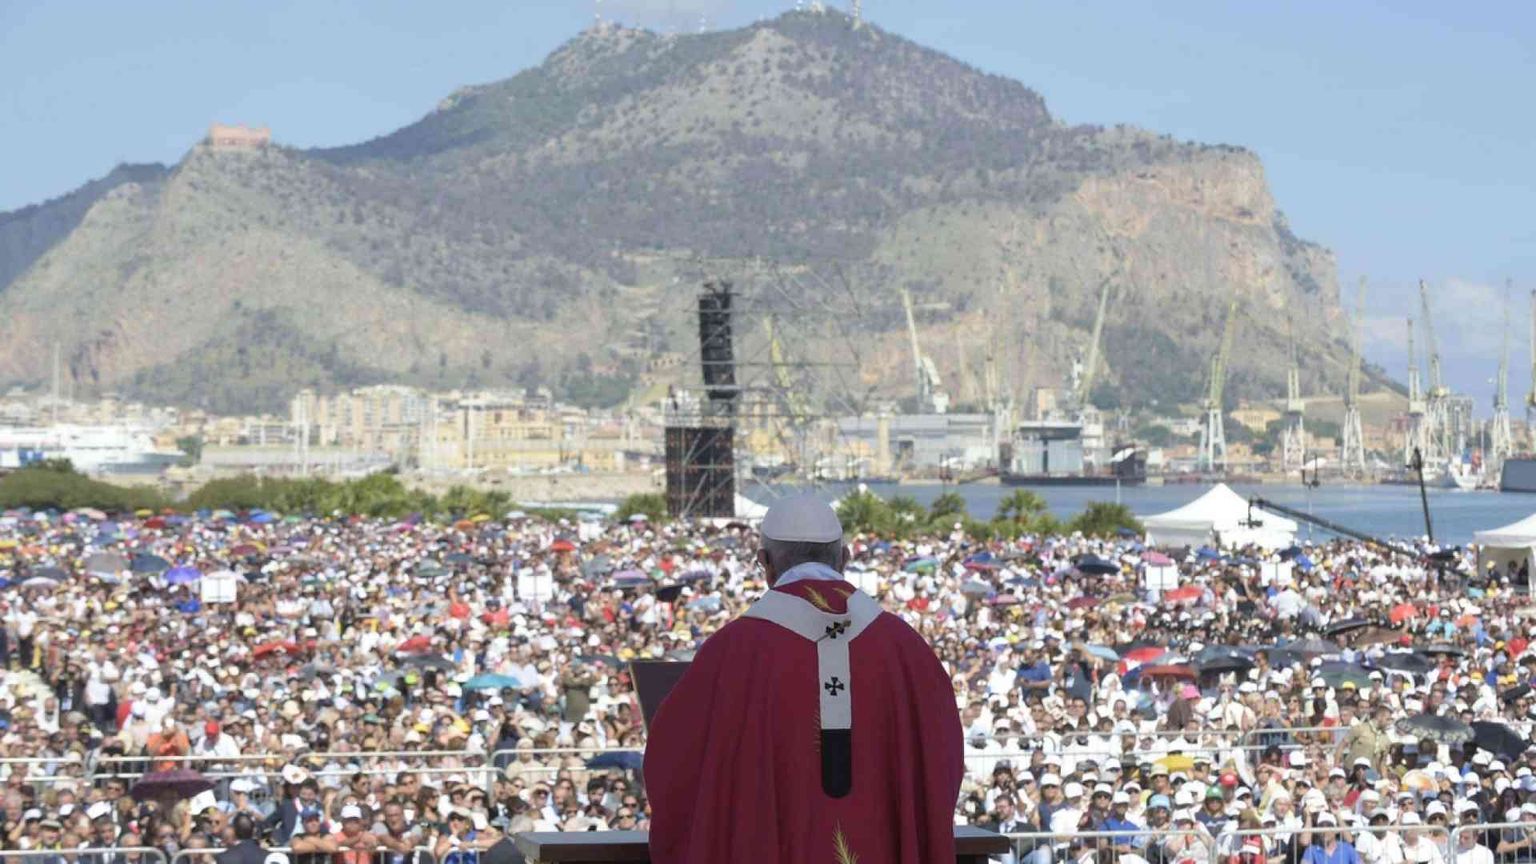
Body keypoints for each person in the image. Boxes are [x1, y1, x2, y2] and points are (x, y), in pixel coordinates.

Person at [644, 495, 965, 863]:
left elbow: (672, 766)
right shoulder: (907, 651)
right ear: (844, 558)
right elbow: (943, 760)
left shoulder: (729, 654)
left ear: (764, 563)